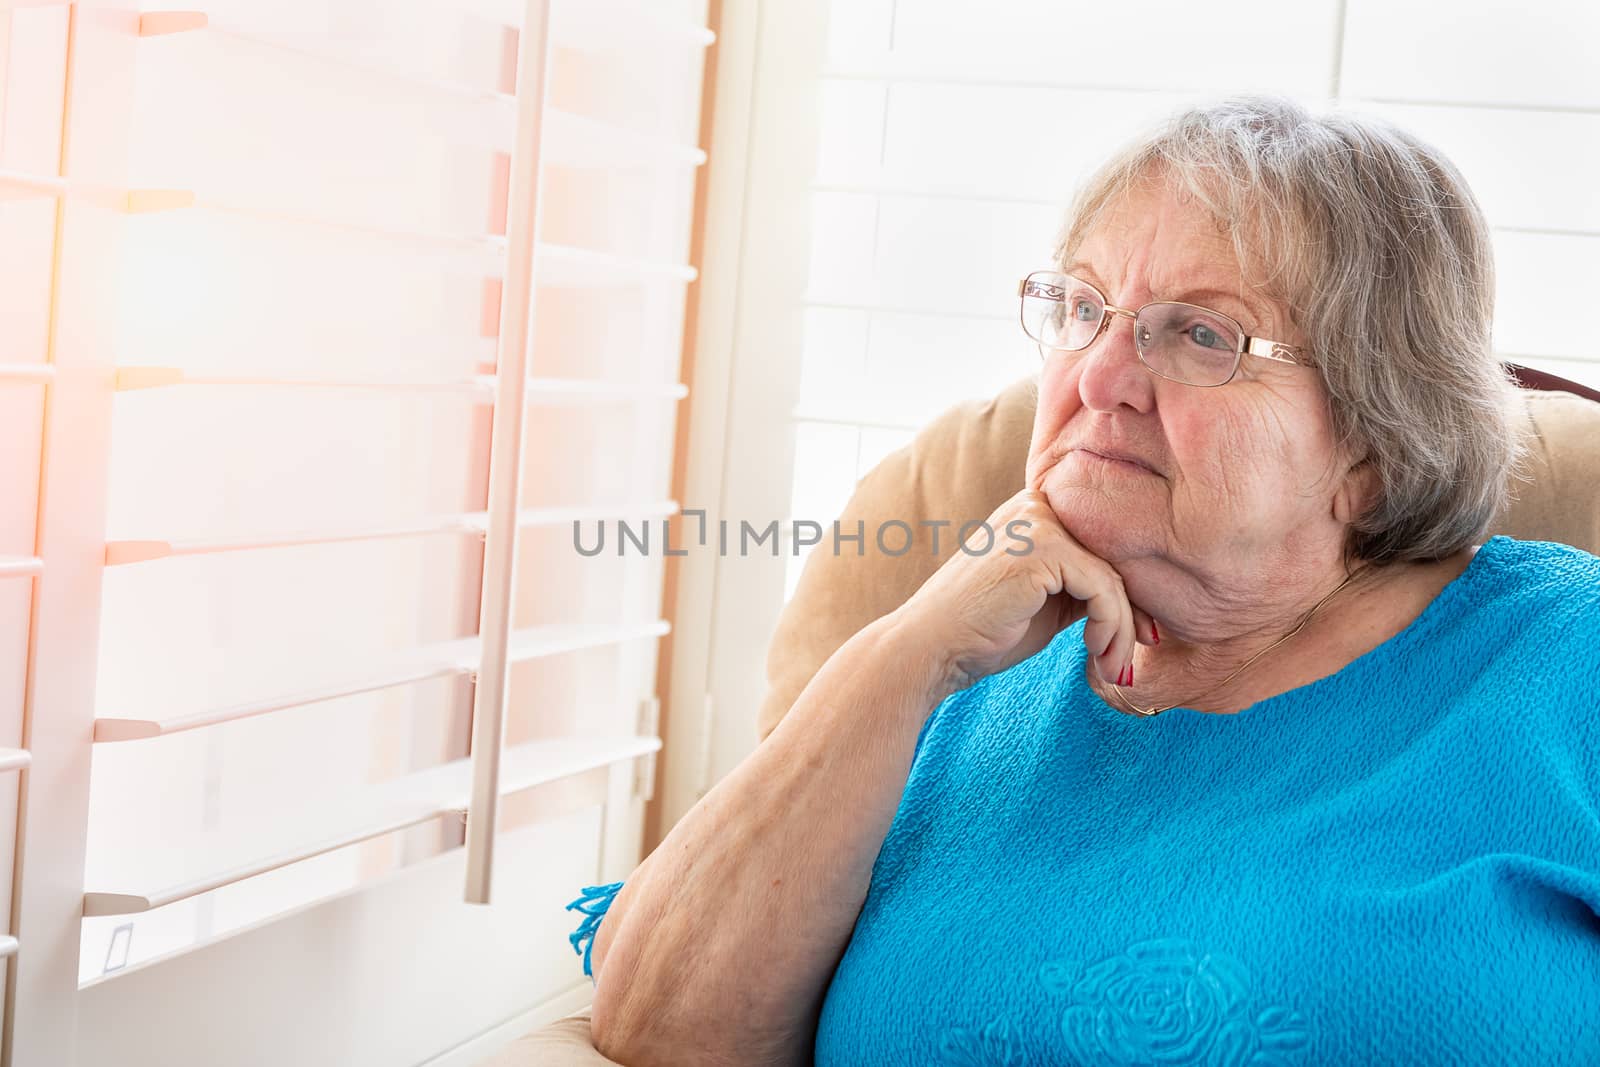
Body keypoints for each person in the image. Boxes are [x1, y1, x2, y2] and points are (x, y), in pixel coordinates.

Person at [565, 96, 1600, 1065]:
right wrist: (904, 655)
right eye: (1085, 307)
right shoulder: (946, 686)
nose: (1096, 378)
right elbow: (658, 1028)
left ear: (1372, 440)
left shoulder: (1566, 659)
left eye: (1201, 334)